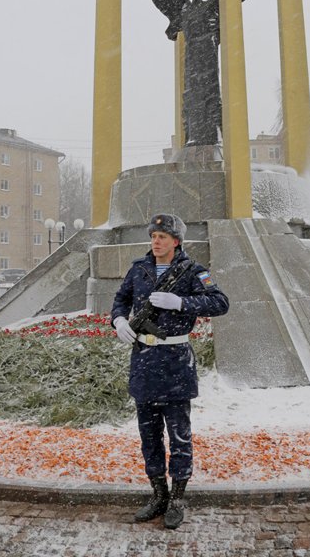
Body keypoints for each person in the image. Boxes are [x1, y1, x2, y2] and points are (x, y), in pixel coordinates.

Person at [111, 213, 229, 529]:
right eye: (153, 236)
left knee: (179, 435)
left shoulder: (193, 272)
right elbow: (120, 300)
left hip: (176, 360)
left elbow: (220, 303)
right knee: (149, 436)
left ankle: (177, 497)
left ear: (176, 241)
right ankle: (158, 495)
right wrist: (119, 320)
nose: (156, 241)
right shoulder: (139, 269)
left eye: (162, 236)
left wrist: (180, 303)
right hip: (145, 361)